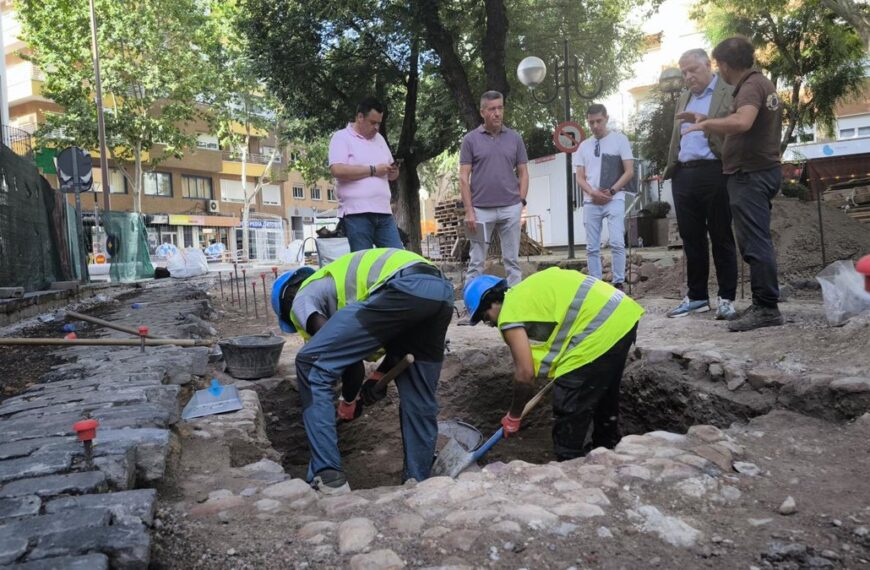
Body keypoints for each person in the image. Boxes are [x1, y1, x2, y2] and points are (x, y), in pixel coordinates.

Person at [272, 248, 454, 493]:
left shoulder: (302, 297)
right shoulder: (341, 287)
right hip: (440, 293)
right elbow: (399, 350)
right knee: (417, 392)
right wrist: (376, 378)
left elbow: (341, 355)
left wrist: (347, 400)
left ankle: (328, 477)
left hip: (405, 286)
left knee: (309, 363)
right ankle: (419, 482)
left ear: (286, 304)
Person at [464, 270, 643, 459]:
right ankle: (607, 451)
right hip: (623, 316)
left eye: (484, 317)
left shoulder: (509, 313)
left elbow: (525, 375)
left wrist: (514, 415)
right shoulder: (525, 294)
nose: (489, 323)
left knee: (569, 403)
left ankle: (569, 460)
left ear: (491, 301)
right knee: (604, 397)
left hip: (602, 328)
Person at [683, 36, 784, 332]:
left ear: (725, 65)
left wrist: (706, 124)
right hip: (757, 172)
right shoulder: (760, 83)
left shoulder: (750, 86)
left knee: (754, 242)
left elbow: (742, 122)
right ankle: (763, 303)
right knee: (756, 239)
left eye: (718, 65)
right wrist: (707, 118)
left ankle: (767, 308)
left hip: (750, 174)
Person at [663, 49, 738, 320]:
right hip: (684, 174)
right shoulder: (684, 97)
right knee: (691, 239)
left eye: (693, 70)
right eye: (684, 72)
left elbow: (736, 129)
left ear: (708, 65)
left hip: (714, 170)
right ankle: (697, 297)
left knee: (721, 236)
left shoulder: (728, 92)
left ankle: (726, 299)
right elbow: (678, 136)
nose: (688, 76)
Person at [459, 91, 529, 287]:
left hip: (510, 208)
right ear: (482, 112)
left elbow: (524, 172)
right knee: (476, 262)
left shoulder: (515, 138)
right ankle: (471, 302)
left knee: (512, 261)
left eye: (500, 108)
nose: (497, 113)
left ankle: (515, 300)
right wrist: (469, 210)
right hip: (480, 211)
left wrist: (521, 203)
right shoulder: (470, 140)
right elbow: (463, 177)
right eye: (492, 109)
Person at [329, 97, 403, 251]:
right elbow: (337, 170)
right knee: (363, 259)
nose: (376, 127)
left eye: (379, 123)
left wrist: (393, 171)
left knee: (397, 257)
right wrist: (373, 170)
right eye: (372, 122)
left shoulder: (380, 139)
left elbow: (391, 176)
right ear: (360, 117)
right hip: (357, 212)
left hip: (383, 211)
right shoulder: (341, 137)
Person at [574, 104, 634, 290]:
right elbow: (579, 177)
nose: (595, 126)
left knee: (617, 241)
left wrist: (612, 191)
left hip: (614, 198)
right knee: (592, 246)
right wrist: (592, 192)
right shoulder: (583, 146)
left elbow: (629, 171)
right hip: (591, 200)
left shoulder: (619, 140)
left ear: (606, 118)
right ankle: (596, 285)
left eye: (598, 121)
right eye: (591, 122)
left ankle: (618, 282)